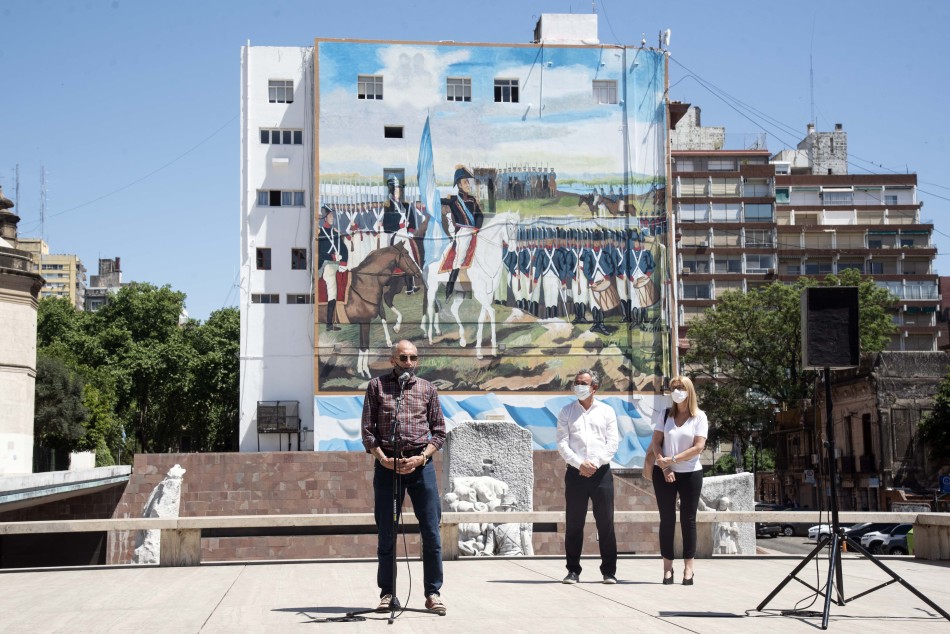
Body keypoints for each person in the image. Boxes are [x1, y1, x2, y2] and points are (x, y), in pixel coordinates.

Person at [361, 340, 447, 615]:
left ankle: (433, 592)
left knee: (431, 532)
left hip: (421, 466)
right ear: (392, 360)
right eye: (403, 357)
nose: (409, 362)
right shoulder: (377, 387)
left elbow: (439, 432)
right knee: (387, 532)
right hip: (388, 466)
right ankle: (388, 593)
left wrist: (422, 457)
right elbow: (368, 431)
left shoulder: (428, 389)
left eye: (413, 358)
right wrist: (384, 459)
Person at [555, 369, 620, 584]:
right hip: (575, 473)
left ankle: (609, 571)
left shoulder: (607, 411)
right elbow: (562, 442)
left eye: (583, 383)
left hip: (601, 473)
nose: (578, 386)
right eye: (576, 382)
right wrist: (579, 463)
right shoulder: (567, 411)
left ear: (594, 387)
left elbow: (612, 442)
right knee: (574, 523)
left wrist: (596, 463)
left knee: (606, 524)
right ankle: (573, 570)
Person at [648, 375, 708, 586]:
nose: (676, 390)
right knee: (667, 520)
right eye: (674, 387)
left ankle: (688, 569)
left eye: (681, 387)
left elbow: (698, 447)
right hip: (663, 472)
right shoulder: (665, 415)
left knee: (688, 520)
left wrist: (673, 459)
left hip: (690, 473)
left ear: (689, 390)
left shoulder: (699, 416)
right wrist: (664, 466)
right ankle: (667, 569)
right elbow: (656, 442)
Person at [441, 164, 484, 298]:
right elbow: (436, 201)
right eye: (465, 182)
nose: (468, 184)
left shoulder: (472, 199)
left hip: (474, 231)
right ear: (459, 185)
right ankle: (450, 287)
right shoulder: (453, 200)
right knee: (459, 259)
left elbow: (479, 215)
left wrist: (477, 228)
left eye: (468, 182)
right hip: (463, 233)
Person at [317, 206, 348, 332]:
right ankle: (329, 324)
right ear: (325, 218)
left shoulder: (335, 232)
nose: (332, 218)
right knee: (332, 290)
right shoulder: (320, 233)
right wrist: (332, 256)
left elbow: (344, 248)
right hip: (326, 264)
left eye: (333, 216)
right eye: (330, 216)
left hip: (338, 263)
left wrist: (344, 261)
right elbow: (319, 252)